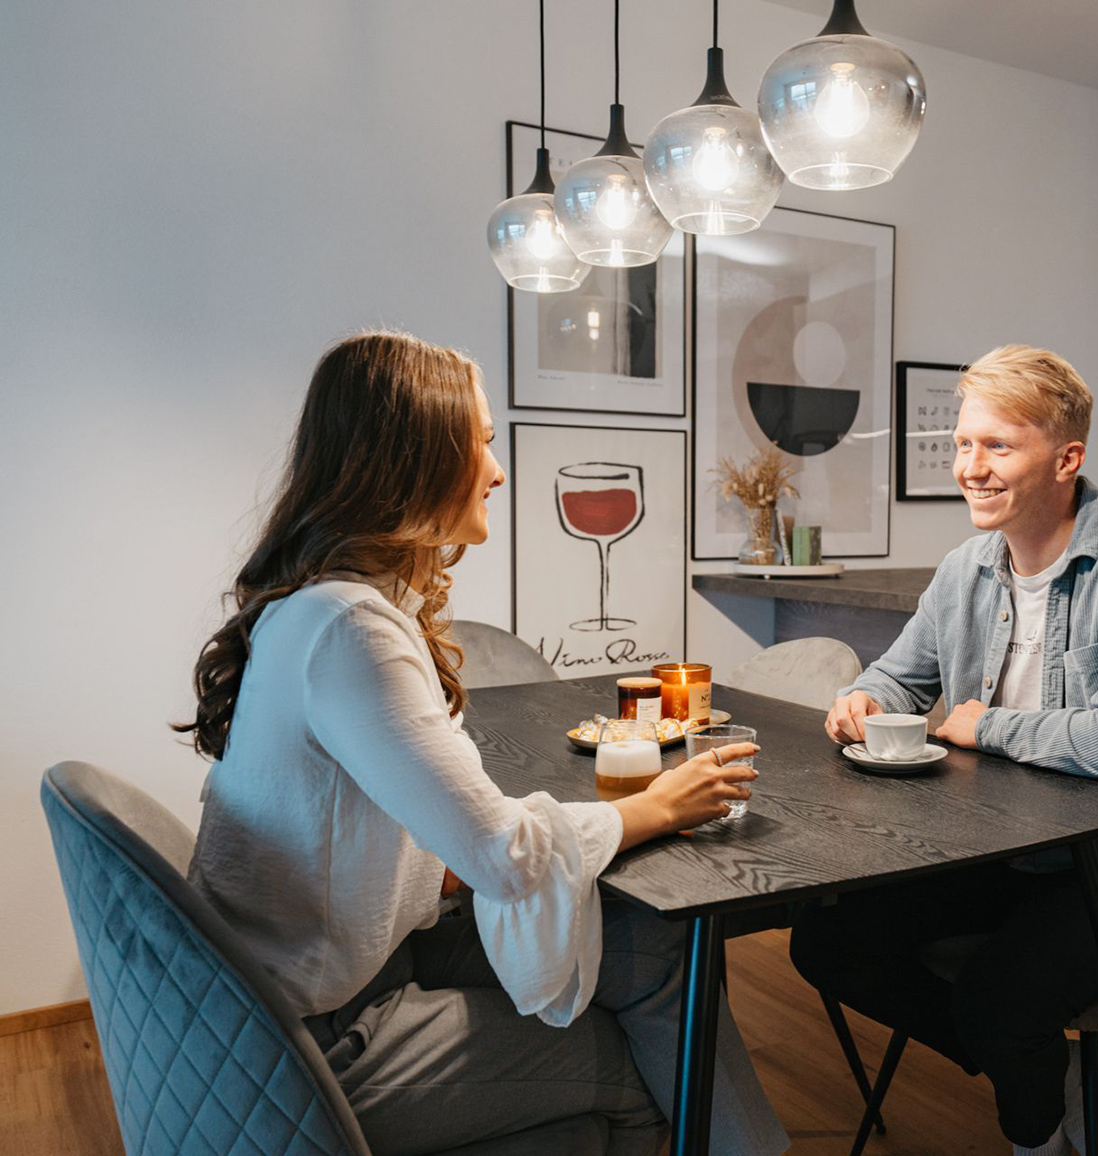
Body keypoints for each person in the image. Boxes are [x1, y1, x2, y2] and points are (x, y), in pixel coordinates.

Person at [177, 331, 788, 1156]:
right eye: (484, 444)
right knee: (625, 1056)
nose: (497, 472)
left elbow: (435, 841)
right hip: (311, 1037)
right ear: (415, 456)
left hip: (334, 970)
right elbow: (503, 855)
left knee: (654, 946)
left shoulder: (318, 608)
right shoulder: (351, 630)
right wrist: (653, 809)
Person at [789, 344, 1098, 1156]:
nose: (970, 467)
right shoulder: (967, 567)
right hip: (1010, 852)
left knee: (1003, 998)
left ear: (1067, 459)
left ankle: (1047, 1134)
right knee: (827, 941)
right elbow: (897, 675)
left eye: (997, 445)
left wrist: (980, 725)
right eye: (962, 443)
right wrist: (863, 700)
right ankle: (1031, 1073)